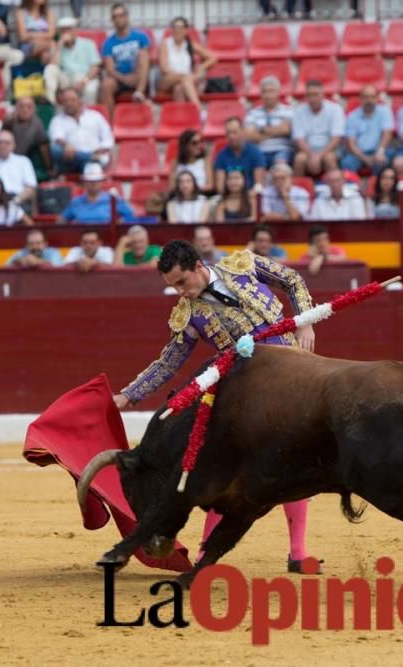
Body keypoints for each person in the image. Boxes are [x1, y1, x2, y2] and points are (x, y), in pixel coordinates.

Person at [113, 240, 319, 573]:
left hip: (295, 378)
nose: (181, 292)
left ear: (197, 266)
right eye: (173, 287)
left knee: (293, 462)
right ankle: (203, 558)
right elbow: (168, 363)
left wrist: (305, 321)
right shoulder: (188, 315)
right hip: (247, 393)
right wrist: (128, 395)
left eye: (182, 282)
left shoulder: (243, 265)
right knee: (224, 470)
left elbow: (292, 280)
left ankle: (298, 554)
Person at [47, 88, 114, 176]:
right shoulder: (57, 120)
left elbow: (108, 138)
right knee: (56, 149)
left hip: (96, 157)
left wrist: (100, 149)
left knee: (93, 167)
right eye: (65, 101)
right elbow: (56, 136)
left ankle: (89, 158)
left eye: (72, 100)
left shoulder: (95, 116)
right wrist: (66, 145)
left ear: (80, 101)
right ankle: (89, 157)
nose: (69, 104)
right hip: (70, 160)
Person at [99, 3, 151, 113]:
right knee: (106, 85)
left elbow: (146, 60)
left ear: (127, 16)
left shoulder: (141, 37)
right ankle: (111, 125)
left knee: (143, 55)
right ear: (112, 19)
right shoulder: (108, 43)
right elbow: (110, 69)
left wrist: (135, 75)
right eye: (115, 16)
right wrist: (124, 78)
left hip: (138, 76)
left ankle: (139, 93)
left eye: (121, 15)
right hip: (119, 79)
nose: (118, 19)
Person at [157, 16, 217, 106]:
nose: (177, 30)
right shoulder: (166, 43)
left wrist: (201, 66)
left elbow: (213, 58)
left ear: (186, 30)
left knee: (179, 88)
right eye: (175, 27)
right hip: (167, 79)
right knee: (184, 78)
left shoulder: (190, 44)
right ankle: (198, 109)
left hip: (185, 82)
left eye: (180, 28)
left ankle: (182, 116)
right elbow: (164, 67)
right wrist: (181, 76)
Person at [292, 81, 345, 178]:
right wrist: (312, 155)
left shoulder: (335, 109)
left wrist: (319, 156)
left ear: (323, 95)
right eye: (309, 95)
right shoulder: (298, 111)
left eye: (316, 94)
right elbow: (299, 140)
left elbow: (336, 139)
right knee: (300, 159)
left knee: (329, 158)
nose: (312, 98)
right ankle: (298, 189)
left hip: (329, 150)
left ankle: (333, 190)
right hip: (307, 151)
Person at [44, 17, 102, 104]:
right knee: (50, 69)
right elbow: (54, 66)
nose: (66, 33)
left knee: (91, 89)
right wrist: (59, 47)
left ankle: (87, 114)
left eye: (69, 29)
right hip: (66, 79)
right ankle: (51, 102)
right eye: (63, 30)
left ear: (75, 31)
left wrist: (84, 82)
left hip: (84, 77)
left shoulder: (88, 43)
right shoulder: (58, 46)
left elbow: (95, 67)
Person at [0, 131, 38, 210]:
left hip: (19, 202)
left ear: (13, 145)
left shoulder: (23, 162)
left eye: (7, 143)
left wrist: (15, 201)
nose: (3, 146)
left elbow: (31, 188)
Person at [341, 86, 394, 175]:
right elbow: (351, 143)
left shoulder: (385, 111)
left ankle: (376, 187)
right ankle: (352, 187)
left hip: (379, 150)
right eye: (366, 97)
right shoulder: (352, 116)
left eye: (372, 97)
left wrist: (380, 152)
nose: (369, 100)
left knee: (382, 160)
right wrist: (365, 158)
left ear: (377, 98)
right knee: (346, 163)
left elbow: (387, 134)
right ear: (360, 99)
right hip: (359, 153)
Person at [56, 163, 134, 224]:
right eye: (90, 181)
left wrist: (120, 222)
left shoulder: (113, 199)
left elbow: (130, 215)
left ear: (101, 182)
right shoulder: (76, 202)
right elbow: (62, 220)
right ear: (84, 182)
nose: (93, 183)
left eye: (96, 180)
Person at [245, 77, 295, 169]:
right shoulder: (253, 113)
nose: (268, 95)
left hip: (282, 149)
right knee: (256, 162)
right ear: (261, 94)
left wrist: (261, 130)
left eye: (271, 91)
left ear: (278, 93)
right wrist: (276, 131)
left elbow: (285, 130)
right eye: (264, 92)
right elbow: (250, 136)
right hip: (260, 151)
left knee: (280, 166)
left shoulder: (288, 111)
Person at [2, 96, 52, 177]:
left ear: (34, 109)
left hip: (16, 160)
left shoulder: (37, 123)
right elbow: (2, 140)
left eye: (29, 106)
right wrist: (7, 123)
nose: (25, 110)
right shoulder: (10, 120)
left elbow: (44, 146)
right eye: (21, 106)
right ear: (16, 108)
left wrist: (49, 168)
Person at [214, 118, 267, 193]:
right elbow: (220, 187)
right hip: (229, 197)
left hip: (250, 196)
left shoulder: (255, 152)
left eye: (235, 132)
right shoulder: (222, 155)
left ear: (243, 131)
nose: (231, 136)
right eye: (228, 133)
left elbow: (259, 184)